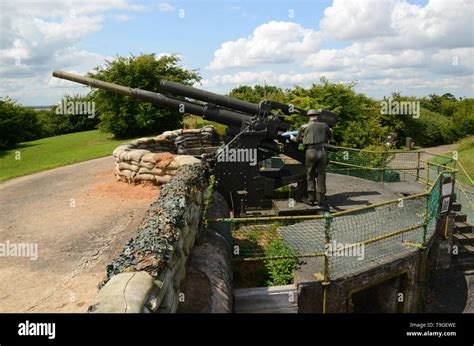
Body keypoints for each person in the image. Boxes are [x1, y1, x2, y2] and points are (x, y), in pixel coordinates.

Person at [291, 109, 331, 208]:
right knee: (322, 175)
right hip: (321, 151)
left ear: (308, 116)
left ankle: (311, 199)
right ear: (317, 116)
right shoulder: (324, 125)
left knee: (310, 175)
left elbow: (297, 140)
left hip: (310, 151)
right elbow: (329, 137)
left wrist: (293, 138)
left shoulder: (303, 127)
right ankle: (321, 199)